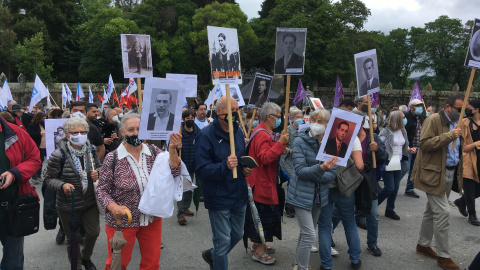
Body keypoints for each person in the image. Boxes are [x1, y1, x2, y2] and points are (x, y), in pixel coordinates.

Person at [96, 113, 182, 269]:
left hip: (151, 218)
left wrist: (172, 150)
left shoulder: (154, 152)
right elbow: (101, 190)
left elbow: (174, 172)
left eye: (139, 129)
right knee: (118, 263)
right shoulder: (112, 158)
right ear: (122, 132)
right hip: (123, 220)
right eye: (130, 129)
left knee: (152, 263)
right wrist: (113, 207)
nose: (135, 133)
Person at [195, 96, 252, 270]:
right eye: (231, 110)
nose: (235, 113)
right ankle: (217, 258)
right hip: (218, 196)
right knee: (223, 241)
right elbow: (201, 169)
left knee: (237, 233)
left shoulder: (238, 130)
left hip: (239, 193)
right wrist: (224, 166)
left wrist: (244, 168)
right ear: (219, 111)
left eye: (237, 110)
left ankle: (212, 255)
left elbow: (240, 158)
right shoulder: (205, 135)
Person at [411, 93, 464, 270]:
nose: (461, 112)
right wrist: (449, 135)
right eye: (459, 109)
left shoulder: (458, 121)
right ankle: (444, 256)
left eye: (464, 109)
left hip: (449, 172)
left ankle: (423, 245)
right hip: (433, 174)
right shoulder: (433, 119)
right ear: (448, 107)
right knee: (443, 212)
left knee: (431, 211)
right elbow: (424, 144)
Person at [44, 117, 102, 270]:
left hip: (89, 202)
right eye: (75, 132)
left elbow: (100, 167)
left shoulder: (92, 150)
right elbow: (49, 179)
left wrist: (98, 173)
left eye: (83, 132)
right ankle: (75, 265)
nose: (80, 135)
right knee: (74, 238)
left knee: (94, 232)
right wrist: (62, 185)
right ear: (68, 135)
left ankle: (86, 258)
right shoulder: (58, 155)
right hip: (68, 205)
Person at [285, 108, 337, 270]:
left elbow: (332, 174)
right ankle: (302, 267)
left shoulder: (331, 143)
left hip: (319, 196)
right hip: (300, 194)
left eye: (320, 121)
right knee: (309, 235)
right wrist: (321, 169)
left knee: (305, 233)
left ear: (328, 125)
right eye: (313, 120)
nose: (316, 124)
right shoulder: (300, 141)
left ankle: (297, 263)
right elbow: (300, 171)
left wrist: (316, 172)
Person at [245, 102, 289, 265]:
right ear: (269, 117)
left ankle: (258, 243)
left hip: (262, 181)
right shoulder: (262, 134)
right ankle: (259, 250)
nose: (280, 120)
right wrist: (279, 144)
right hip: (261, 183)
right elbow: (265, 157)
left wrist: (281, 143)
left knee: (260, 216)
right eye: (278, 117)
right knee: (261, 217)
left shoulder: (263, 131)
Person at [318, 120, 362, 270]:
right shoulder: (354, 139)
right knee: (349, 222)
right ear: (336, 130)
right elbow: (360, 165)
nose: (343, 133)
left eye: (345, 130)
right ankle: (355, 260)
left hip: (326, 186)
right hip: (344, 187)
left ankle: (326, 265)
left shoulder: (321, 135)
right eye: (341, 130)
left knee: (324, 226)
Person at [0, 115, 41, 269]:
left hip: (13, 207)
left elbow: (35, 159)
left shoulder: (16, 133)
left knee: (14, 260)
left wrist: (15, 173)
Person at [350, 110, 388, 257]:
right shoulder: (346, 136)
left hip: (368, 182)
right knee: (339, 212)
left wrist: (377, 150)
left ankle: (372, 243)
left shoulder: (374, 137)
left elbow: (384, 157)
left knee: (373, 215)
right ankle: (329, 235)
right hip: (349, 180)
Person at [377, 110, 409, 220]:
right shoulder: (386, 131)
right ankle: (372, 205)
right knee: (389, 187)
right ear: (397, 119)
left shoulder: (402, 130)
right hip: (388, 162)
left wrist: (409, 149)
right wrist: (385, 157)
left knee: (395, 188)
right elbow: (379, 146)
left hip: (398, 161)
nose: (405, 119)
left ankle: (390, 209)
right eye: (403, 117)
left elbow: (403, 145)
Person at [454, 99, 480, 226]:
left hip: (479, 158)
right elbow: (454, 133)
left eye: (469, 108)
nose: (467, 110)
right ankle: (472, 215)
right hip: (468, 158)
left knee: (478, 189)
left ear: (476, 109)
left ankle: (461, 201)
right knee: (469, 187)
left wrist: (474, 144)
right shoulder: (464, 122)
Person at [177, 109, 200, 226]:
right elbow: (170, 148)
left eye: (192, 118)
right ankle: (180, 213)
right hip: (182, 164)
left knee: (189, 188)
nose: (190, 120)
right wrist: (177, 146)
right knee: (181, 189)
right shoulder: (179, 133)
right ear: (183, 119)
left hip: (193, 165)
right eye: (187, 118)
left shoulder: (198, 132)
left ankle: (186, 207)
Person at [281, 109, 304, 219]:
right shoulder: (287, 130)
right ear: (292, 118)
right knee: (292, 181)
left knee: (297, 182)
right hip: (288, 160)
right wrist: (290, 150)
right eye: (297, 117)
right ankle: (289, 207)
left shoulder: (304, 130)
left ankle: (295, 204)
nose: (300, 119)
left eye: (301, 116)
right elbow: (281, 146)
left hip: (299, 160)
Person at [403, 99, 425, 199]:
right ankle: (392, 185)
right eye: (417, 105)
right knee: (405, 167)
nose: (420, 107)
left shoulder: (423, 117)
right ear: (411, 107)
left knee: (414, 169)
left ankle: (409, 188)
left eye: (421, 105)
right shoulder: (406, 117)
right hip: (408, 146)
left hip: (419, 146)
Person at [27, 112, 47, 183]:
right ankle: (34, 176)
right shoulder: (32, 125)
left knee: (41, 161)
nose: (44, 119)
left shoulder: (44, 125)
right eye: (43, 118)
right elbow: (30, 134)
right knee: (36, 162)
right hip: (37, 145)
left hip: (43, 146)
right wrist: (39, 134)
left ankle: (39, 175)